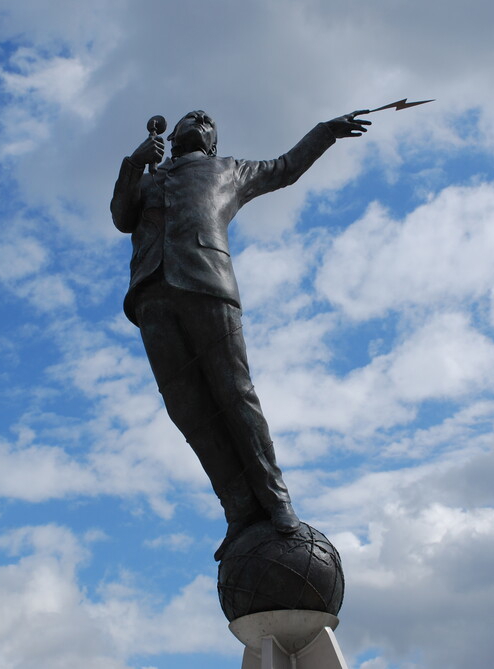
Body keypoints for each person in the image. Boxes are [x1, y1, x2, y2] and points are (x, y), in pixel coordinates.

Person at [111, 109, 369, 560]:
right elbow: (120, 216)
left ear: (210, 142)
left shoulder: (230, 169)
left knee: (235, 394)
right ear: (170, 140)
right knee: (188, 410)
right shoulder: (148, 177)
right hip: (152, 294)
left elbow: (286, 168)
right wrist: (133, 163)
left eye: (205, 120)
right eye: (188, 119)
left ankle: (276, 500)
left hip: (207, 282)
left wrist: (325, 132)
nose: (196, 119)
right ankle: (239, 510)